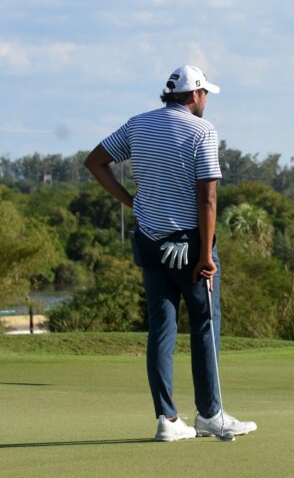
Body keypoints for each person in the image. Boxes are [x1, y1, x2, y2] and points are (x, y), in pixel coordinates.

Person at [84, 65, 256, 442]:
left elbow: (95, 162)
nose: (206, 100)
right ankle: (210, 415)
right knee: (205, 324)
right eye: (205, 93)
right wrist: (207, 253)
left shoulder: (137, 124)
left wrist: (130, 201)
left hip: (148, 240)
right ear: (194, 95)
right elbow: (208, 196)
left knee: (161, 328)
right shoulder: (202, 130)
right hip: (191, 243)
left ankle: (167, 419)